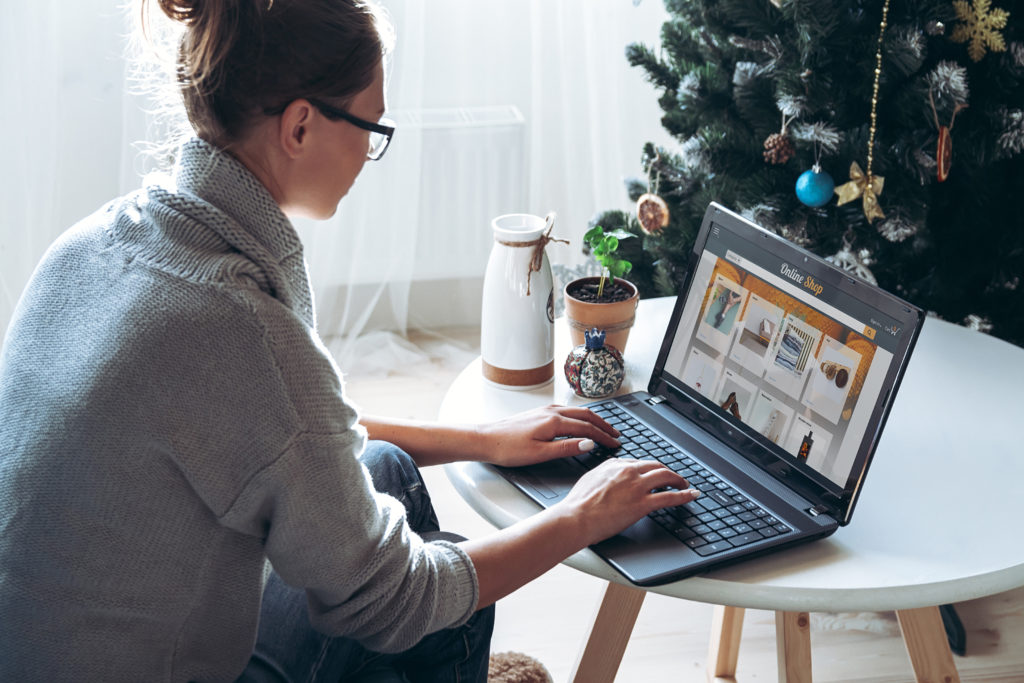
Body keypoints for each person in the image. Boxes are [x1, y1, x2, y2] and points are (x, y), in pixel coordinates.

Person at [0, 1, 700, 681]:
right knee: (446, 590)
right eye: (370, 127)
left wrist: (484, 438)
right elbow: (399, 598)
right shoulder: (238, 325)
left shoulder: (90, 244)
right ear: (300, 126)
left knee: (387, 466)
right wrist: (584, 514)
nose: (370, 152)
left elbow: (290, 440)